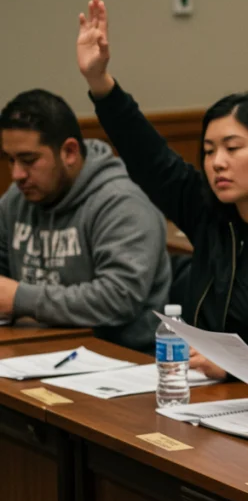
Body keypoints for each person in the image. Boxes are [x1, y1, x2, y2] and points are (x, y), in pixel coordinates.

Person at [77, 0, 248, 384]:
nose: (217, 162)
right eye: (208, 151)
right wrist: (99, 82)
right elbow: (150, 157)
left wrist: (240, 363)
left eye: (233, 148)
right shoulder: (210, 214)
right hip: (208, 395)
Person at [0, 89, 170, 351]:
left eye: (29, 160)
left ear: (69, 152)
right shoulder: (16, 200)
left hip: (122, 359)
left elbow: (118, 299)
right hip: (40, 347)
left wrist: (21, 299)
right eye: (10, 160)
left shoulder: (122, 203)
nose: (17, 174)